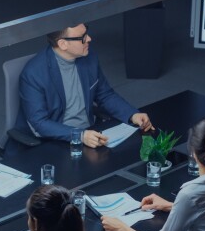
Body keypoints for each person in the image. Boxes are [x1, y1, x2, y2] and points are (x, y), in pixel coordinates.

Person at [14, 23, 154, 148]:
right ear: (63, 44)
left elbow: (105, 95)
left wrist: (132, 114)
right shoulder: (33, 73)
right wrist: (80, 135)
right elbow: (40, 123)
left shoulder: (88, 57)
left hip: (90, 133)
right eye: (82, 37)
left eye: (86, 32)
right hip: (54, 140)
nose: (89, 39)